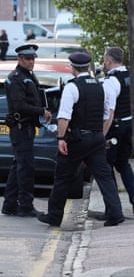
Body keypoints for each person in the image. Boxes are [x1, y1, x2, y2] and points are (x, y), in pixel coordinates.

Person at [38, 52, 125, 227]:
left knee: (62, 177)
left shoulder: (72, 87)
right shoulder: (100, 86)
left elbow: (64, 116)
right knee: (104, 177)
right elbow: (107, 113)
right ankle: (116, 213)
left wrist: (61, 138)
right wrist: (101, 134)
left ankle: (54, 216)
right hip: (97, 138)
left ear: (72, 67)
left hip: (77, 139)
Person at [1, 44, 51, 217]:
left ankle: (9, 204)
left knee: (19, 167)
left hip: (27, 128)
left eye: (33, 59)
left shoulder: (27, 76)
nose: (32, 62)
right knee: (26, 168)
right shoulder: (15, 78)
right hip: (20, 128)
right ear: (20, 59)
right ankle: (26, 205)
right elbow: (20, 105)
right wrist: (41, 111)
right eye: (28, 59)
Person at [102, 47, 134, 214]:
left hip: (114, 127)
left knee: (107, 167)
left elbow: (110, 111)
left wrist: (102, 135)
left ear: (109, 60)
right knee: (123, 164)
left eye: (104, 59)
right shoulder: (130, 75)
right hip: (129, 124)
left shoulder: (111, 81)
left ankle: (113, 207)